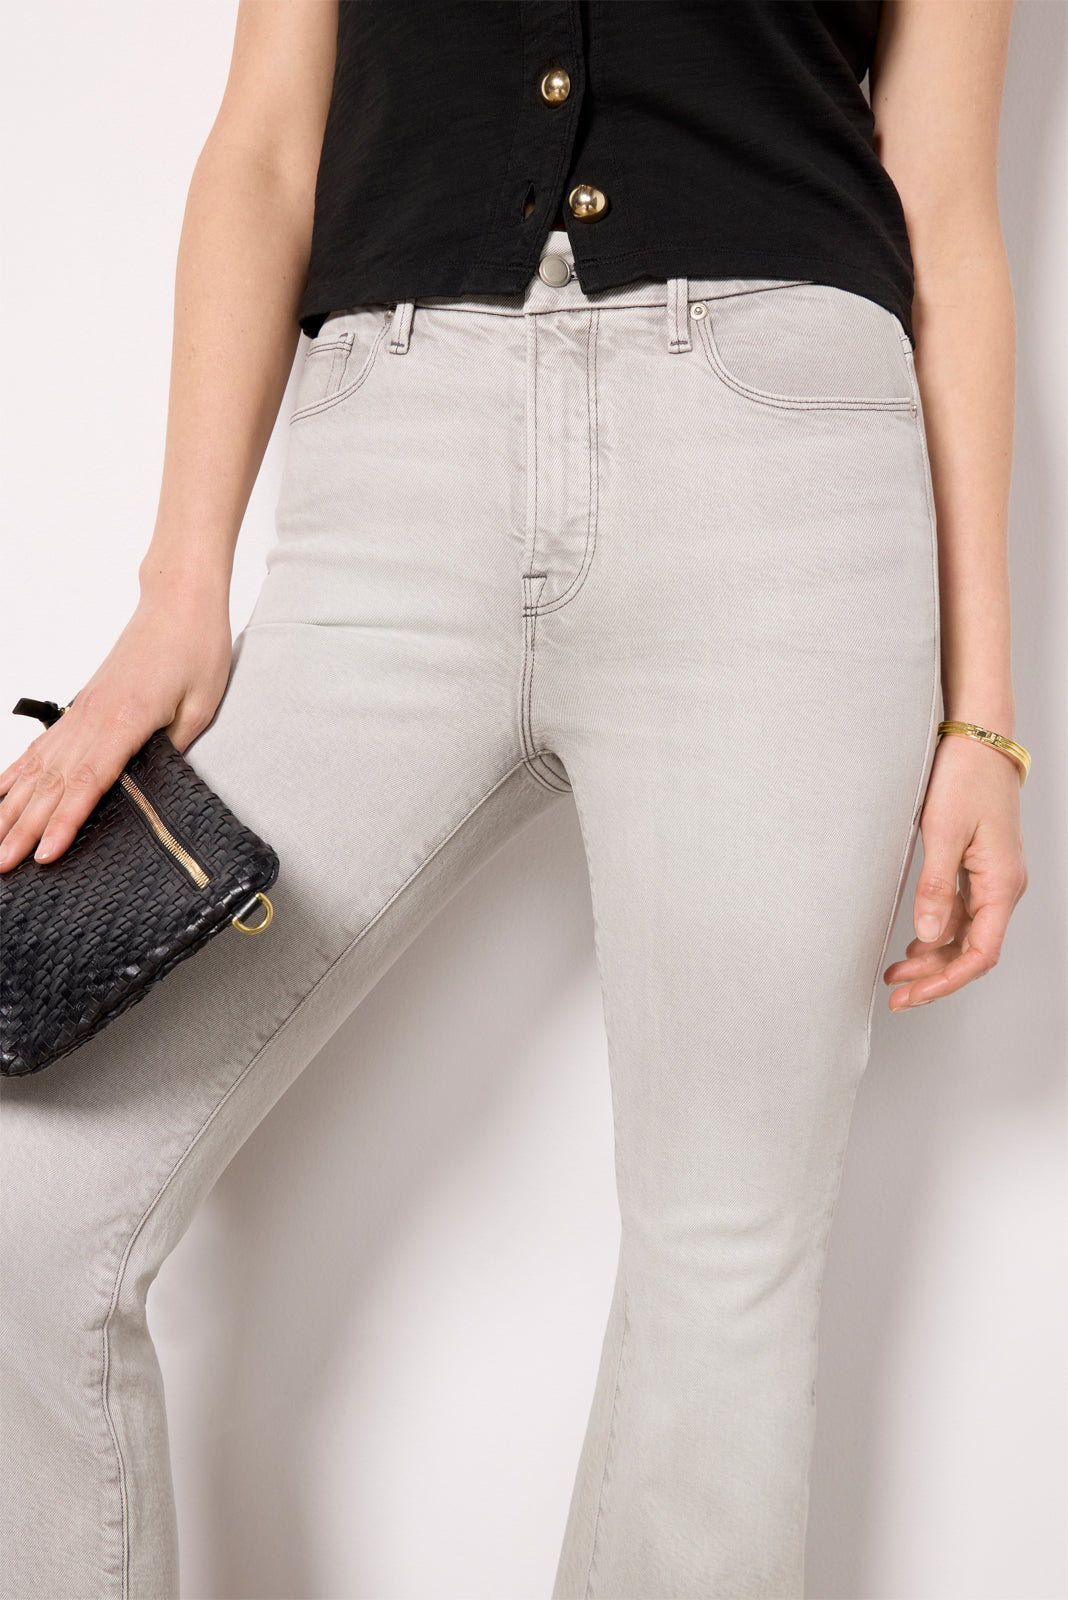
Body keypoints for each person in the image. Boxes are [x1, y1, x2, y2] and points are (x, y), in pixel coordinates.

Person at [0, 2, 1028, 1596]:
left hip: (781, 490)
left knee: (724, 1279)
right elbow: (265, 143)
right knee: (35, 1177)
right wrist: (178, 586)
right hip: (390, 468)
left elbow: (946, 207)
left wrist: (985, 718)